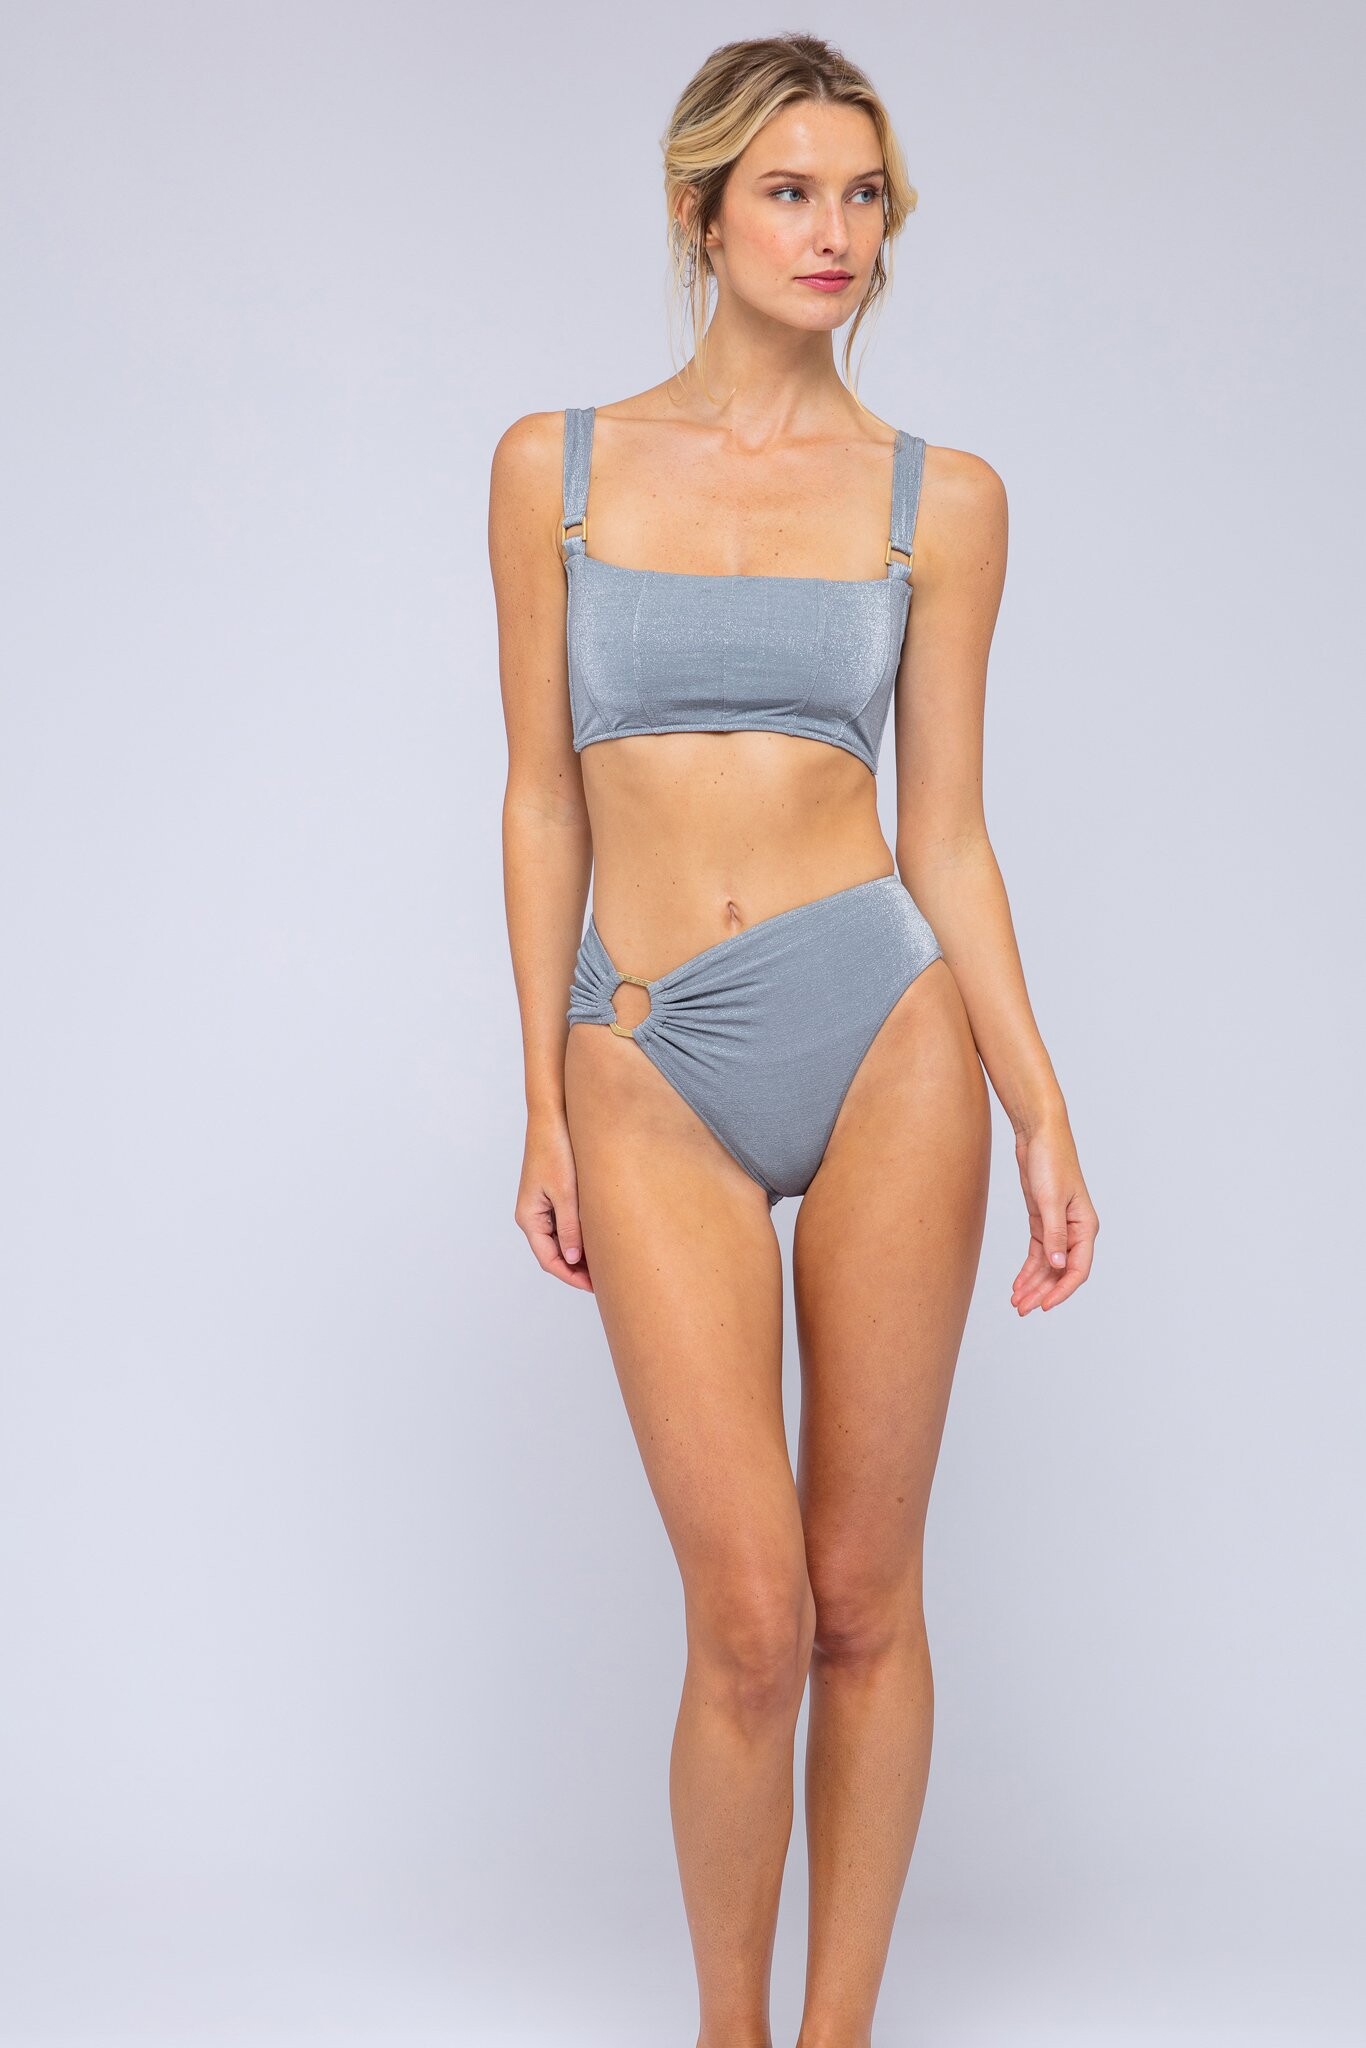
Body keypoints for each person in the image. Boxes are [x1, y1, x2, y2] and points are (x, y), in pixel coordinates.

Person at [489, 31, 1099, 2048]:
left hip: (884, 1025)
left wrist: (1038, 1108)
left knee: (858, 1597)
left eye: (860, 197)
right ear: (700, 213)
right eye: (787, 191)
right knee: (746, 1613)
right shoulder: (554, 469)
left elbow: (949, 833)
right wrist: (539, 1095)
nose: (832, 232)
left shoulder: (942, 500)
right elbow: (541, 800)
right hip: (644, 1048)